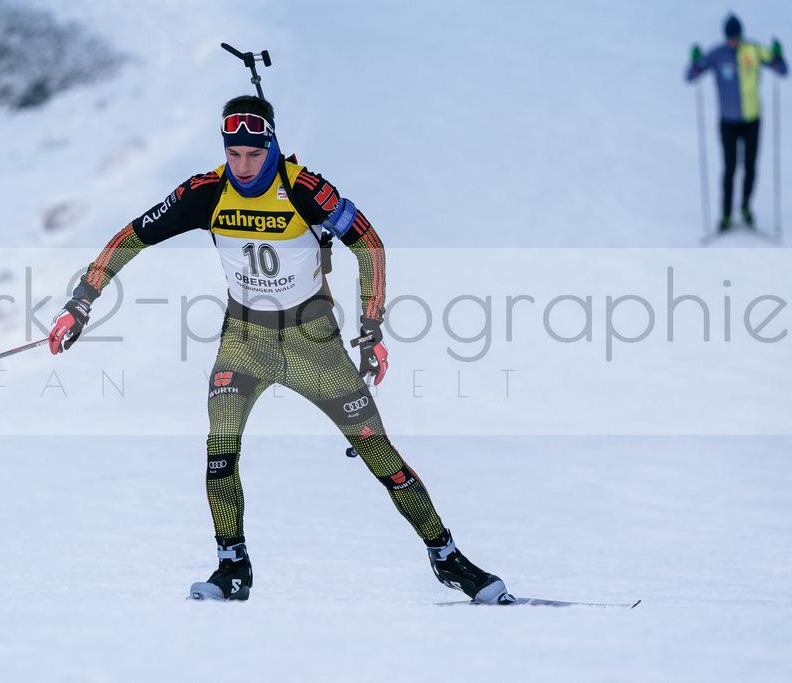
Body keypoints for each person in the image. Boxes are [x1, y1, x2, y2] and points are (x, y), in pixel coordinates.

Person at [47, 94, 511, 603]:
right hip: (244, 341)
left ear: (271, 146)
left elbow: (369, 244)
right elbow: (131, 237)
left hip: (314, 342)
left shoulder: (305, 188)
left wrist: (371, 326)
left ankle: (448, 558)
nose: (243, 166)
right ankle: (232, 568)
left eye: (253, 153)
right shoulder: (206, 192)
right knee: (220, 452)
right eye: (233, 154)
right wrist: (81, 301)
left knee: (379, 453)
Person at [686, 14, 788, 230]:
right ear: (725, 37)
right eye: (731, 38)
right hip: (728, 122)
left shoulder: (754, 50)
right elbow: (692, 75)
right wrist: (695, 61)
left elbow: (781, 69)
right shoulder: (717, 54)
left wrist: (778, 55)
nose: (734, 41)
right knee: (730, 167)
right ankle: (725, 215)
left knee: (750, 166)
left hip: (752, 120)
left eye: (737, 37)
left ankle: (745, 207)